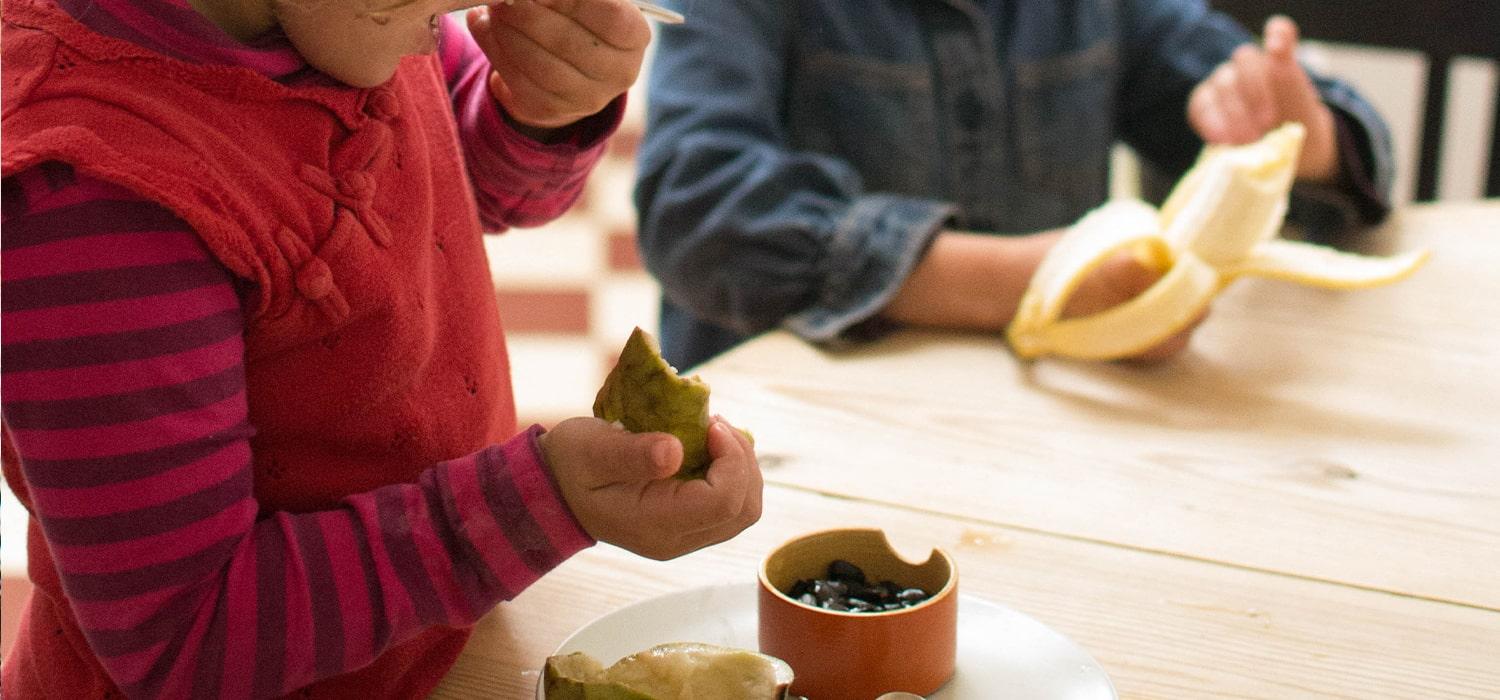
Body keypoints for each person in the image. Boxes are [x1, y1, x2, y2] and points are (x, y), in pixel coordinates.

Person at [0, 0, 762, 697]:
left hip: (428, 647)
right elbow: (183, 641)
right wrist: (538, 504)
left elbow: (473, 184)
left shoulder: (350, 20)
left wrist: (540, 109)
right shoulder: (93, 204)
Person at [633, 0, 1395, 369]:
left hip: (1044, 435)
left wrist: (1307, 136)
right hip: (791, 454)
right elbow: (697, 208)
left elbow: (1237, 95)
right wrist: (1029, 282)